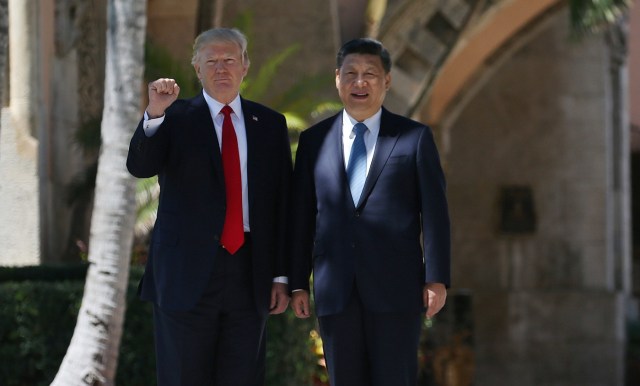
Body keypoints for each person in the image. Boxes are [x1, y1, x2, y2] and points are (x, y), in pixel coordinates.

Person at [126, 28, 292, 386]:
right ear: (196, 69)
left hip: (251, 274)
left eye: (229, 60)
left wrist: (281, 275)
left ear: (245, 66)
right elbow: (140, 166)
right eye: (211, 61)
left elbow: (282, 206)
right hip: (184, 275)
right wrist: (154, 112)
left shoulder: (270, 125)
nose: (221, 69)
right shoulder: (173, 116)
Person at [289, 37, 451, 386]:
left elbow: (435, 214)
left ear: (387, 81)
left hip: (397, 291)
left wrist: (436, 278)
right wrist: (298, 282)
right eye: (351, 73)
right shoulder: (313, 141)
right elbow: (302, 217)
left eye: (370, 74)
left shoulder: (414, 138)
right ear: (337, 79)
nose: (359, 82)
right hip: (336, 291)